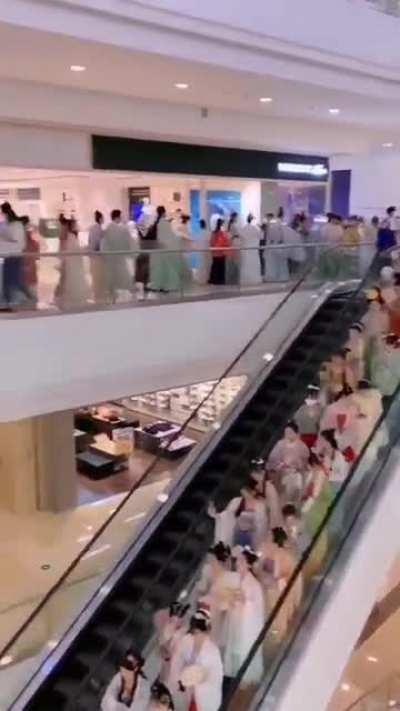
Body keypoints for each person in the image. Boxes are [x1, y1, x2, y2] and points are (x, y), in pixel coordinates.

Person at [223, 547, 264, 686]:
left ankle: (243, 682)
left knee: (242, 653)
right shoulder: (237, 580)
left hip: (246, 626)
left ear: (248, 564)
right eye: (238, 560)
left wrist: (244, 601)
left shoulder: (254, 584)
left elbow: (256, 608)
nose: (238, 563)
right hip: (236, 621)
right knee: (234, 652)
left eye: (241, 560)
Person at [168, 608, 223, 711]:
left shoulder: (212, 651)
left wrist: (194, 677)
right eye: (196, 631)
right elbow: (176, 663)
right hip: (185, 692)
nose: (197, 634)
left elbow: (213, 677)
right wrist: (179, 680)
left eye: (200, 631)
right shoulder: (185, 641)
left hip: (204, 695)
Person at [257, 528, 302, 641]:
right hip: (265, 590)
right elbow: (257, 566)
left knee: (277, 619)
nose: (266, 538)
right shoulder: (264, 549)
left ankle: (277, 638)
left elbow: (291, 578)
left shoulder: (286, 557)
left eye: (269, 536)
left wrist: (276, 582)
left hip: (278, 594)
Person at [195, 542, 233, 653]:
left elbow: (228, 600)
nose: (210, 562)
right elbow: (202, 589)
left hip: (220, 613)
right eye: (208, 559)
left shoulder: (228, 576)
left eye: (212, 559)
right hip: (207, 610)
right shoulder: (208, 571)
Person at [208, 478, 268, 549]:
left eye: (247, 491)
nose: (244, 493)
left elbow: (261, 524)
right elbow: (227, 515)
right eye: (243, 490)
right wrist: (215, 513)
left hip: (252, 536)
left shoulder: (260, 506)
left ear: (253, 492)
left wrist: (257, 538)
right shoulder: (236, 501)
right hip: (237, 535)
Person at [150, 206, 192, 292]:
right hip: (166, 248)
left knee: (160, 268)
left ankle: (160, 284)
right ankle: (165, 284)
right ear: (163, 212)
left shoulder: (157, 223)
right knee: (167, 267)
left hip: (159, 249)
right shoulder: (165, 223)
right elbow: (169, 236)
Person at [55, 217, 90, 309]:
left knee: (65, 280)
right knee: (67, 280)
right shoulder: (70, 237)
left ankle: (63, 297)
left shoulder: (69, 236)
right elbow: (71, 250)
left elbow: (64, 251)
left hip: (71, 263)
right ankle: (66, 298)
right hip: (71, 264)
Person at [0, 202, 31, 306]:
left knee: (12, 281)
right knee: (13, 280)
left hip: (11, 256)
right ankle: (13, 300)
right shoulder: (14, 224)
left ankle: (14, 301)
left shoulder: (13, 225)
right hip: (11, 256)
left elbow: (17, 242)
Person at [101, 209, 135, 301]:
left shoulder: (108, 228)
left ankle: (112, 296)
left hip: (110, 259)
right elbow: (129, 243)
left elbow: (104, 244)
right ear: (118, 217)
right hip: (119, 258)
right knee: (123, 277)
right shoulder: (122, 229)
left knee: (112, 279)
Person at [154, 602, 190, 683]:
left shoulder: (181, 628)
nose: (181, 617)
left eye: (182, 613)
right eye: (179, 614)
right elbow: (163, 648)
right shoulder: (169, 629)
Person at [239, 214, 262, 286]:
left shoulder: (244, 228)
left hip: (246, 249)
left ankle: (246, 279)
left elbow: (241, 237)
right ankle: (254, 279)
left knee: (246, 264)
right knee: (253, 264)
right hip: (253, 249)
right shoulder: (255, 228)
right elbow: (261, 236)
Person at [21, 215, 40, 302]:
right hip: (28, 265)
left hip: (26, 265)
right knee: (31, 288)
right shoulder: (29, 235)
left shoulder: (25, 235)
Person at [88, 209, 105, 301]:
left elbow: (90, 241)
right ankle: (97, 291)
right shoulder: (98, 229)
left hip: (93, 254)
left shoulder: (92, 228)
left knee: (95, 274)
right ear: (100, 219)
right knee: (97, 274)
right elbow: (97, 243)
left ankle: (96, 290)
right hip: (97, 255)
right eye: (103, 218)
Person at [208, 218, 231, 286]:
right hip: (221, 251)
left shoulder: (214, 232)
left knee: (215, 265)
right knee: (221, 266)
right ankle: (220, 280)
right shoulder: (222, 233)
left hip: (215, 252)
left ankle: (214, 279)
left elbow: (211, 242)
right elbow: (226, 241)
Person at [195, 219, 211, 285]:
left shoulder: (198, 234)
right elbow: (210, 241)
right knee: (207, 264)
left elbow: (197, 243)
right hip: (206, 251)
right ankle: (207, 278)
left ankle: (202, 278)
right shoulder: (208, 233)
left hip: (201, 252)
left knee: (202, 264)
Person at [226, 212, 240, 285]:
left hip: (233, 242)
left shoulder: (230, 225)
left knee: (233, 259)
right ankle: (234, 276)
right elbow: (237, 234)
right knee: (235, 259)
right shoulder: (234, 225)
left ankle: (232, 275)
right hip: (235, 242)